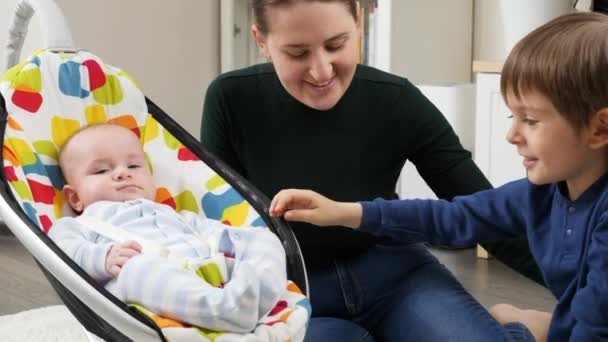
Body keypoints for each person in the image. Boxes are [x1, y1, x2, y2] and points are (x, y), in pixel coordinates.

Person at [201, 1, 542, 340]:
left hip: (396, 275)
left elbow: (485, 213)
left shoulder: (395, 99)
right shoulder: (230, 99)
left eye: (336, 45)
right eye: (297, 53)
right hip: (291, 291)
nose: (321, 71)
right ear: (261, 41)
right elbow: (219, 229)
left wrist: (585, 283)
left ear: (359, 21)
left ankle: (518, 328)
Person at [269, 12, 608, 341]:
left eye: (531, 120)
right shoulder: (542, 193)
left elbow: (594, 324)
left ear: (599, 129)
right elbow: (453, 216)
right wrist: (344, 212)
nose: (512, 135)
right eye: (512, 116)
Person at [48, 123, 288, 333]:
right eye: (102, 170)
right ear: (75, 198)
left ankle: (254, 293)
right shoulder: (79, 224)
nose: (122, 173)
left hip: (208, 272)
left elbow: (214, 235)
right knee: (136, 268)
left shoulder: (175, 215)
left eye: (133, 166)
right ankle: (229, 309)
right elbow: (62, 252)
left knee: (261, 237)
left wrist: (234, 244)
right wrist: (103, 258)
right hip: (142, 281)